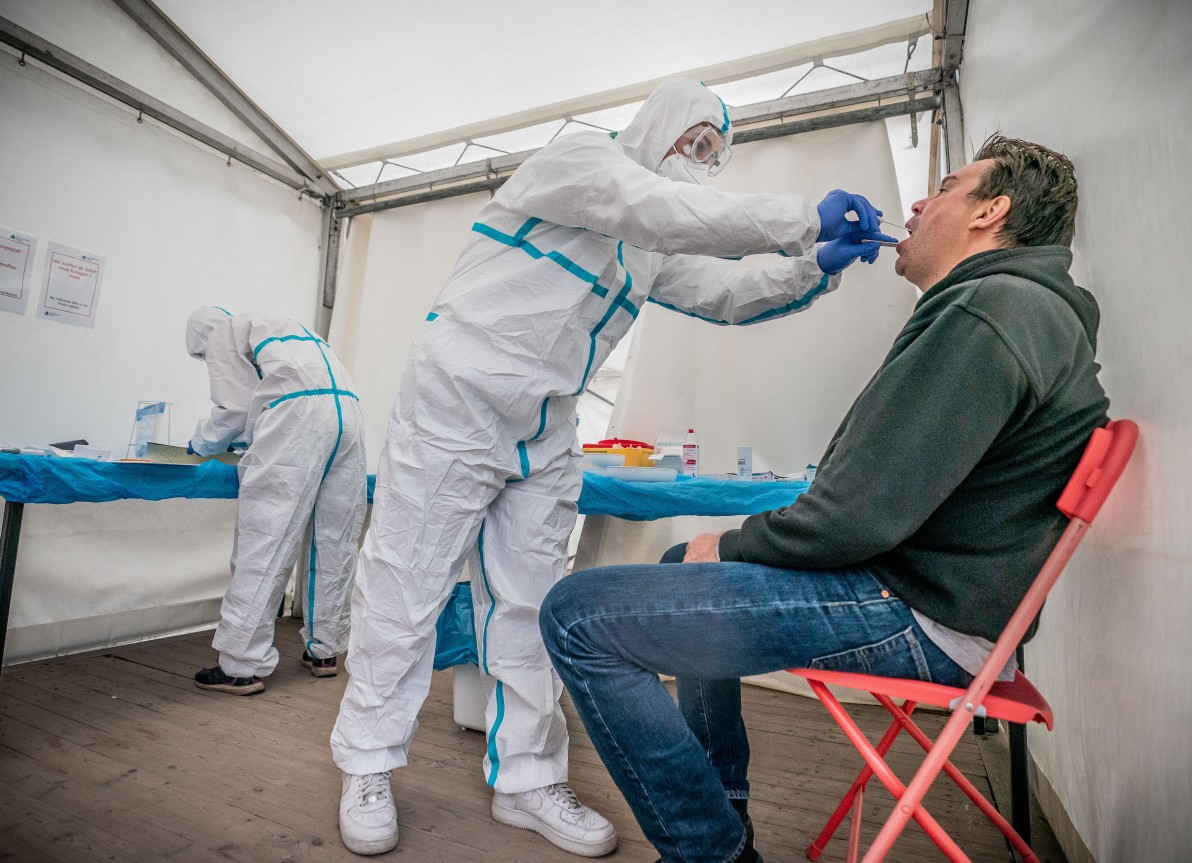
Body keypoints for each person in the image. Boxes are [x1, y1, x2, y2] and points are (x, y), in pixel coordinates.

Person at [329, 77, 895, 858]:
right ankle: (366, 761)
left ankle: (527, 778)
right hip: (457, 396)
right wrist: (803, 220)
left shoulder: (649, 249)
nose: (701, 163)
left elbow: (726, 293)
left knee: (531, 600)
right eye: (693, 142)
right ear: (655, 126)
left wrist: (814, 267)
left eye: (713, 154)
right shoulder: (579, 164)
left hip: (546, 421)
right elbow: (657, 208)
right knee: (407, 579)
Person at [540, 134, 1110, 863]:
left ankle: (709, 850)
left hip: (923, 617)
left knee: (577, 615)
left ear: (990, 212)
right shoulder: (1020, 308)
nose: (917, 201)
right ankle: (724, 805)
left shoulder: (987, 313)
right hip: (955, 604)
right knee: (686, 556)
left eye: (946, 185)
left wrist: (740, 541)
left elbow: (855, 517)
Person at [185, 306, 366, 695]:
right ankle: (325, 650)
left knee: (265, 539)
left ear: (202, 340)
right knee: (335, 540)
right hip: (348, 413)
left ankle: (240, 665)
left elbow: (233, 409)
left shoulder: (221, 333)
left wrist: (199, 444)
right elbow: (265, 399)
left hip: (300, 418)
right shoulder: (280, 328)